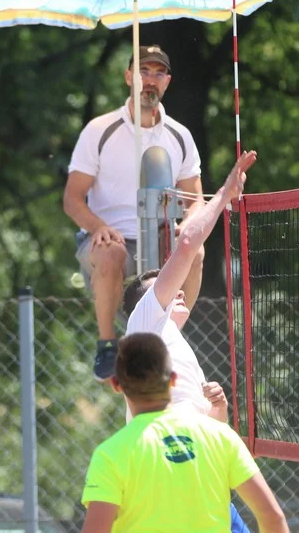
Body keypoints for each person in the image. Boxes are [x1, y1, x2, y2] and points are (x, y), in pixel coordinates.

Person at [119, 151, 258, 531]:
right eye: (164, 285)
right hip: (176, 478)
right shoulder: (143, 323)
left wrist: (218, 409)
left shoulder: (171, 346)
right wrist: (225, 194)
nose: (176, 289)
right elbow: (186, 247)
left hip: (203, 474)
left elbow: (210, 428)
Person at [64, 44, 205, 382]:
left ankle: (171, 332)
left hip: (159, 238)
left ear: (168, 81)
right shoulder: (100, 130)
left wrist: (186, 227)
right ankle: (107, 346)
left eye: (158, 73)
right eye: (143, 71)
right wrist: (97, 226)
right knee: (111, 251)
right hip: (110, 241)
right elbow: (72, 199)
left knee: (195, 250)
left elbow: (196, 199)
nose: (150, 79)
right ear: (129, 77)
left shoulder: (180, 136)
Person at [80, 332, 289, 533]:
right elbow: (272, 517)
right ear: (173, 378)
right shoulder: (221, 436)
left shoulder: (110, 454)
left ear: (116, 384)